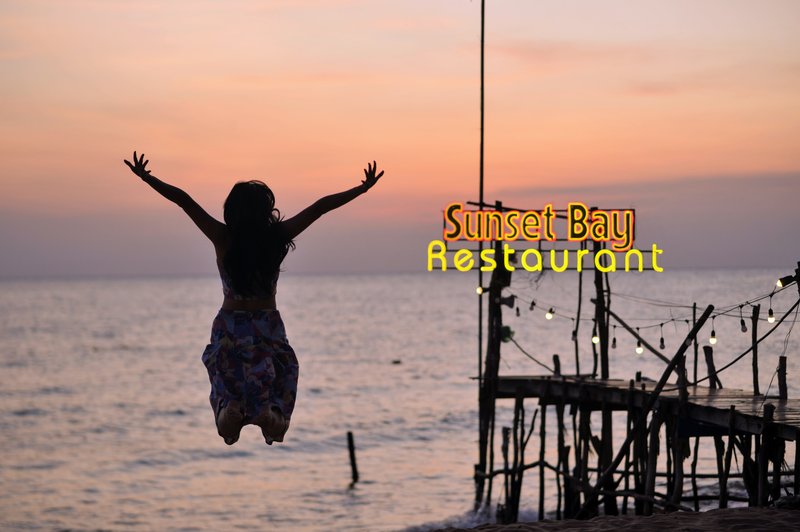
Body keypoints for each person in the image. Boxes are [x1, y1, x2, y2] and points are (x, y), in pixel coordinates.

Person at [124, 151, 384, 445]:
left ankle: (228, 413)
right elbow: (320, 207)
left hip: (229, 325)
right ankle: (271, 415)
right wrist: (361, 189)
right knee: (280, 400)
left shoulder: (222, 237)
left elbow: (183, 200)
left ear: (231, 211)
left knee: (226, 414)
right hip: (266, 324)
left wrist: (147, 178)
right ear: (266, 209)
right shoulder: (277, 236)